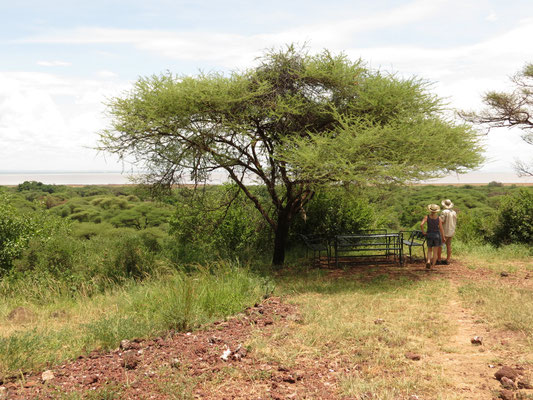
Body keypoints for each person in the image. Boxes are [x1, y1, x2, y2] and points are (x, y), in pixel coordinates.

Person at [420, 204, 445, 269]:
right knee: (435, 251)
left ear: (430, 210)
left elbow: (421, 224)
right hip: (437, 235)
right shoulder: (438, 218)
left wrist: (423, 232)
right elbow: (441, 228)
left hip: (429, 234)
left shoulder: (427, 217)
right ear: (436, 211)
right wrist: (443, 237)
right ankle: (433, 266)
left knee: (429, 250)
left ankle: (428, 261)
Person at [437, 199, 457, 265]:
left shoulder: (444, 212)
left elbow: (442, 221)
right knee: (448, 245)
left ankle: (439, 259)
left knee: (440, 245)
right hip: (451, 231)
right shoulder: (454, 212)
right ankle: (447, 260)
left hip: (444, 231)